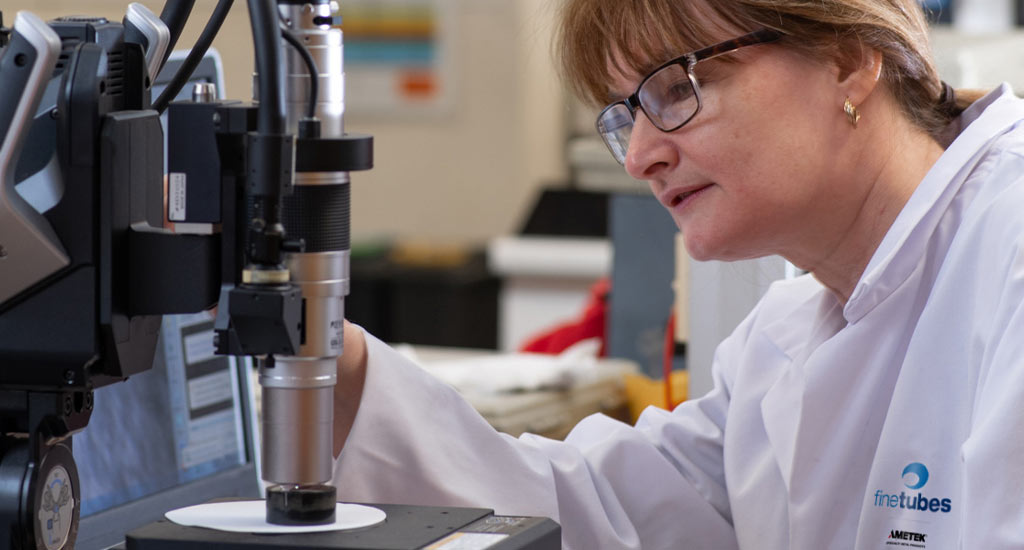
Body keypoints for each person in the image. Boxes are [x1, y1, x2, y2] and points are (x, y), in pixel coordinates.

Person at [331, 0, 1024, 548]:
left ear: (846, 58)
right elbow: (609, 518)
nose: (637, 158)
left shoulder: (1009, 250)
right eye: (625, 113)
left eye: (675, 88)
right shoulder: (786, 338)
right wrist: (340, 370)